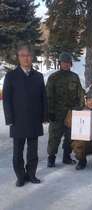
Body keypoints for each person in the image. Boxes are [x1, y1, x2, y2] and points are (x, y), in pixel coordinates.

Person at [3, 45, 48, 186]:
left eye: (28, 55)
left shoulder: (38, 76)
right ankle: (21, 176)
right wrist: (9, 119)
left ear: (32, 57)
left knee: (33, 152)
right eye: (23, 55)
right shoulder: (11, 76)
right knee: (18, 152)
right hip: (18, 121)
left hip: (34, 120)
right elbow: (7, 100)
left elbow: (43, 98)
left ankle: (31, 174)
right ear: (19, 57)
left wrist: (44, 116)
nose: (26, 58)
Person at [46, 52, 85, 167]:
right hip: (56, 113)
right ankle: (51, 158)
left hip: (71, 113)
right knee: (54, 136)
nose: (66, 65)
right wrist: (50, 112)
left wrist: (79, 108)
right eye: (63, 63)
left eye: (68, 63)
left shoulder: (74, 77)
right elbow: (48, 96)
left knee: (70, 136)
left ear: (71, 64)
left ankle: (66, 157)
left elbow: (80, 94)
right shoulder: (53, 77)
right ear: (59, 64)